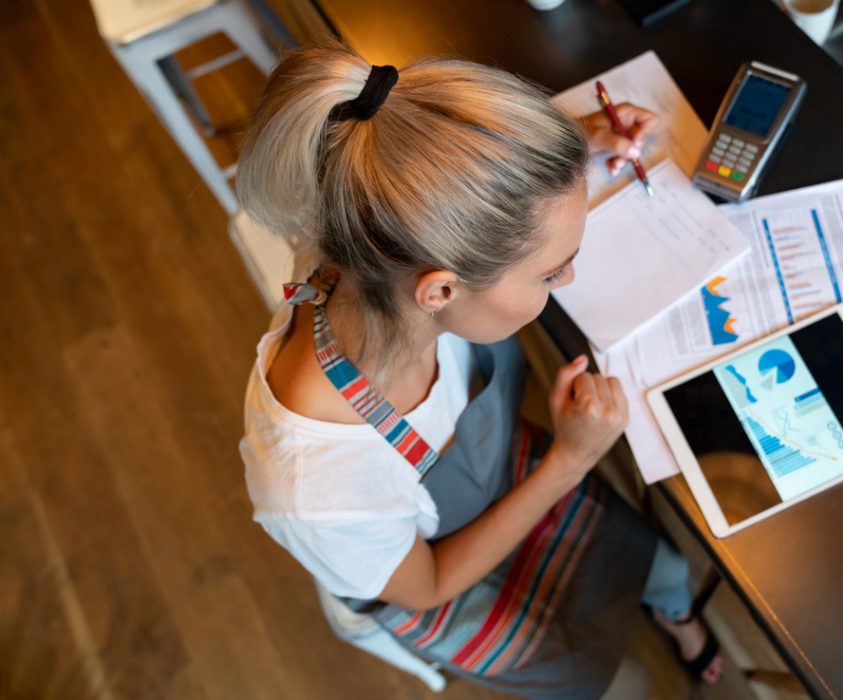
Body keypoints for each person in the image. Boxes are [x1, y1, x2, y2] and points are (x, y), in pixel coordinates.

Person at [237, 44, 723, 698]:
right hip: (434, 573)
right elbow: (429, 586)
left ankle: (677, 614)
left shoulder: (366, 241)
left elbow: (427, 182)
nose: (568, 277)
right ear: (439, 291)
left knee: (658, 563)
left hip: (490, 468)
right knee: (622, 684)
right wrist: (570, 463)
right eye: (551, 272)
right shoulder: (319, 488)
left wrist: (577, 144)